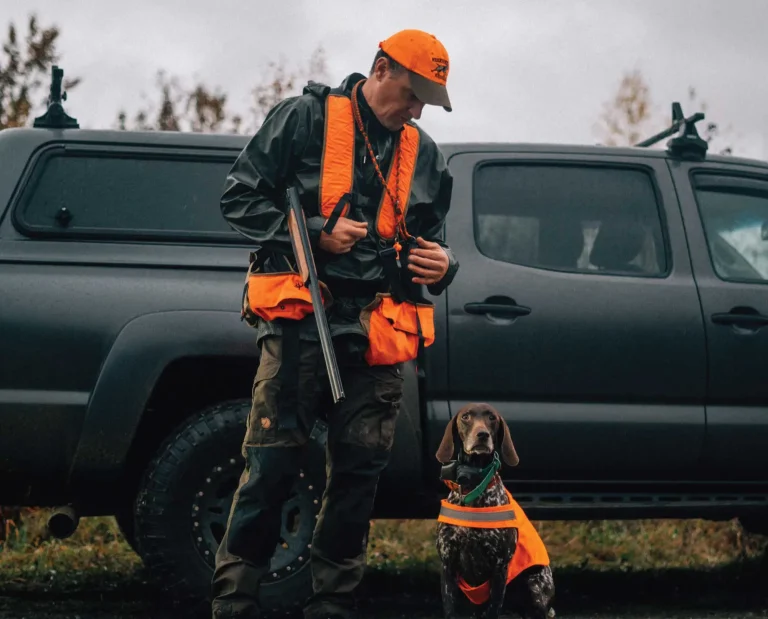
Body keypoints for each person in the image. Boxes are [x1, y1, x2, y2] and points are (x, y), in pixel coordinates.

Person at [211, 28, 460, 619]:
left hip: (378, 331)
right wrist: (314, 233)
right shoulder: (304, 119)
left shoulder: (426, 155)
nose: (417, 110)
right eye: (412, 94)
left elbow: (433, 239)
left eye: (427, 101)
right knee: (272, 465)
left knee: (358, 476)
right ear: (380, 69)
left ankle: (333, 606)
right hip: (303, 321)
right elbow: (238, 199)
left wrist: (445, 264)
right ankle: (235, 601)